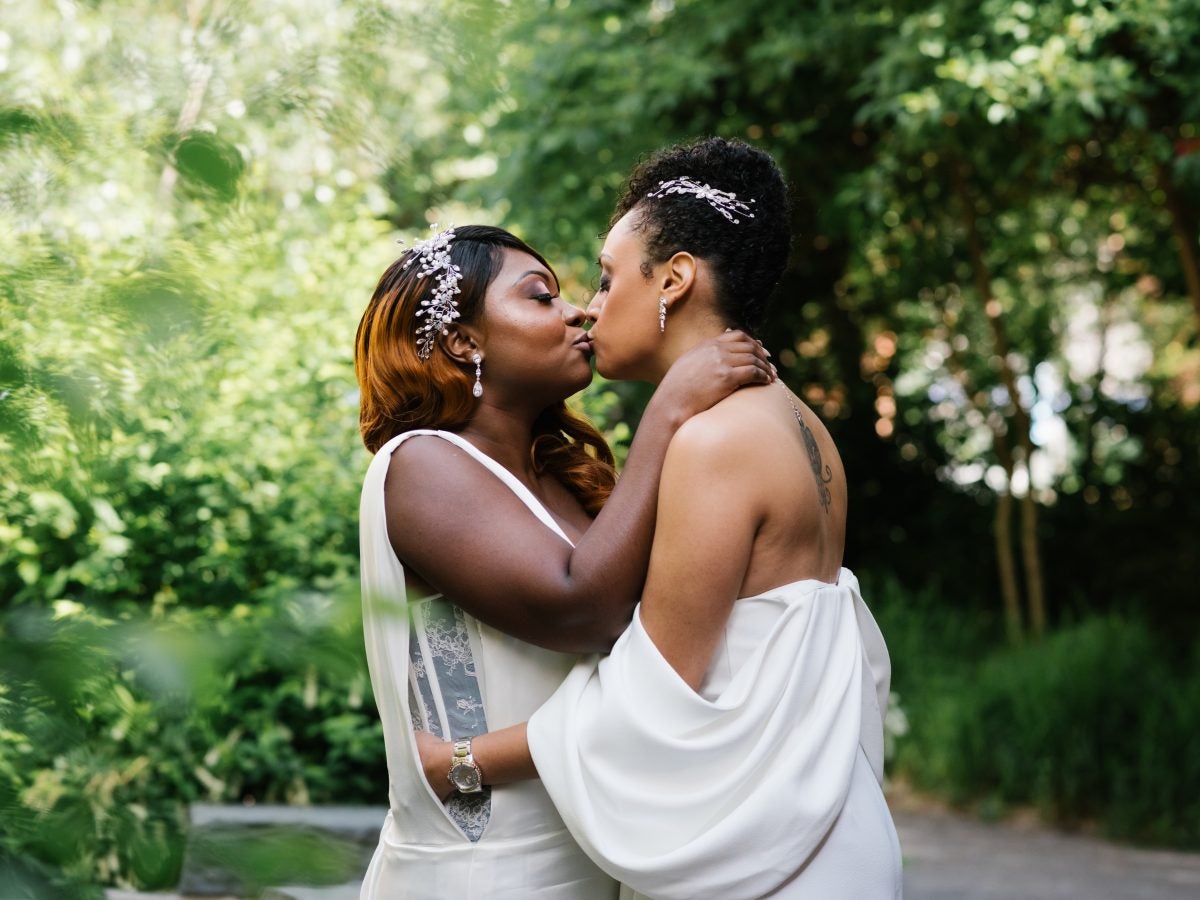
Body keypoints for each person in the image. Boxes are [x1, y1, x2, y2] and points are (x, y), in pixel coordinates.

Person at [416, 138, 903, 899]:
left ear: (674, 280)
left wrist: (461, 762)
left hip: (767, 857)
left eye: (609, 280)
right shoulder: (803, 425)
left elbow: (654, 695)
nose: (592, 306)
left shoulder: (714, 441)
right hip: (835, 828)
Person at [354, 223, 775, 899]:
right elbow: (587, 611)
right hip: (486, 875)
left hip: (593, 861)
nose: (577, 309)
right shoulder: (422, 463)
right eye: (540, 297)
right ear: (465, 340)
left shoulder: (559, 477)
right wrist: (665, 413)